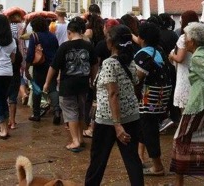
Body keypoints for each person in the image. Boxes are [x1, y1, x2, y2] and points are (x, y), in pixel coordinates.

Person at [84, 25, 144, 186]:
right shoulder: (130, 61)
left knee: (98, 161)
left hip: (108, 119)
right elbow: (135, 82)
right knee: (132, 160)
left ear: (111, 43)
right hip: (131, 115)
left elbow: (113, 93)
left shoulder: (110, 63)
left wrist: (117, 125)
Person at [170, 22, 204, 186]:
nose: (184, 41)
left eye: (187, 37)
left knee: (179, 141)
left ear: (193, 41)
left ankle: (179, 182)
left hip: (198, 104)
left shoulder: (198, 57)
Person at [44, 17, 98, 152]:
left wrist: (46, 83)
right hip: (83, 84)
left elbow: (54, 67)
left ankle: (75, 141)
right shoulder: (89, 46)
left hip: (67, 84)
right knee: (80, 111)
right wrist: (93, 80)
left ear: (69, 32)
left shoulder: (64, 47)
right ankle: (79, 138)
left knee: (70, 112)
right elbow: (94, 65)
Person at [134, 22, 173, 176]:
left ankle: (157, 166)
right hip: (163, 96)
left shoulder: (142, 54)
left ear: (141, 38)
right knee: (146, 128)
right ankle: (140, 156)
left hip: (148, 97)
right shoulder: (160, 51)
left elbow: (138, 78)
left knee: (149, 130)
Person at [26, 16, 61, 123]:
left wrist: (27, 68)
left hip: (39, 66)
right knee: (52, 88)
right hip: (52, 66)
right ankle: (56, 110)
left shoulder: (34, 36)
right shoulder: (52, 36)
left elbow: (30, 53)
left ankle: (36, 114)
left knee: (37, 89)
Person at [168, 11, 199, 112]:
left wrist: (172, 55)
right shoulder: (198, 37)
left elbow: (180, 58)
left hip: (185, 74)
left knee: (185, 110)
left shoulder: (184, 38)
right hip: (195, 72)